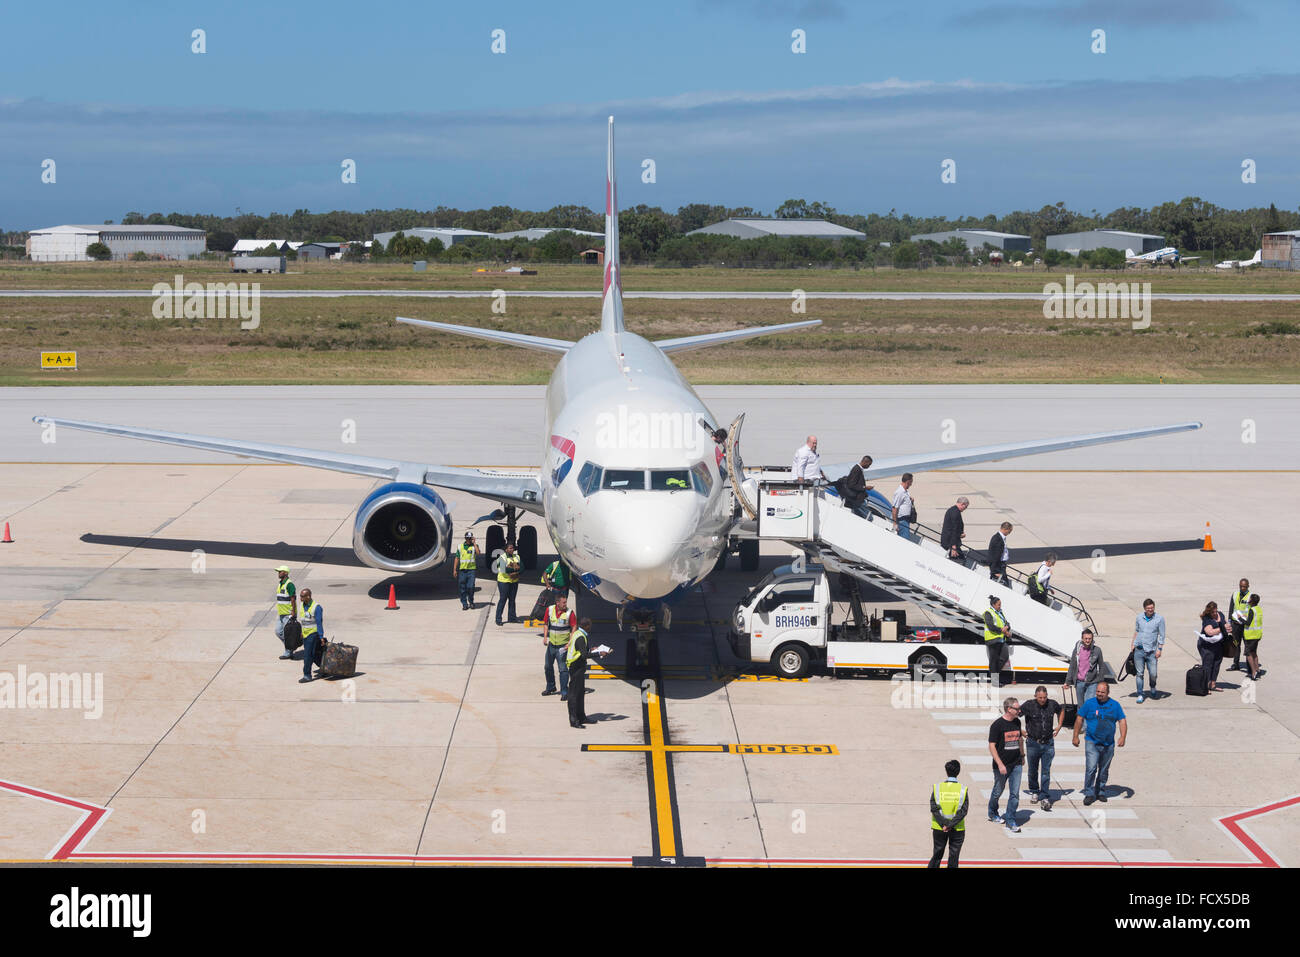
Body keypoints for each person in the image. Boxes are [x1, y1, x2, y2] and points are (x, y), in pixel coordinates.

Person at [1073, 681, 1127, 805]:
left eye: (1102, 692)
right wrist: (1075, 736)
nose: (1099, 694)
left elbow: (1122, 721)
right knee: (1091, 768)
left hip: (1108, 744)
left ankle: (1101, 791)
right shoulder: (1089, 704)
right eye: (1098, 691)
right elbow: (1079, 719)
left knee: (1103, 769)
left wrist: (1122, 737)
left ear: (1108, 693)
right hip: (1092, 741)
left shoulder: (1115, 705)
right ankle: (1088, 792)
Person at [1020, 685, 1063, 810]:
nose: (1042, 700)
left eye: (1044, 697)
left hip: (1048, 743)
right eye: (1040, 698)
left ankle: (1044, 795)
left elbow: (1061, 710)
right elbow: (1014, 716)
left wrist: (1059, 725)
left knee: (1046, 771)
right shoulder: (1029, 705)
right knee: (1033, 770)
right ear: (1035, 696)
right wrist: (1020, 730)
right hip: (1033, 743)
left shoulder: (1052, 704)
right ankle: (1034, 790)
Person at [987, 697, 1025, 832]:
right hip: (1001, 766)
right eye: (1017, 709)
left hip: (1016, 764)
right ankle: (992, 813)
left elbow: (1019, 739)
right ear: (1009, 709)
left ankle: (1010, 820)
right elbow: (992, 746)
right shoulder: (997, 725)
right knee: (998, 791)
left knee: (1015, 794)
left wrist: (1022, 755)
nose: (1019, 711)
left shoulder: (1017, 722)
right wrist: (1000, 764)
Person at [566, 616, 608, 728]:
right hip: (576, 668)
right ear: (586, 626)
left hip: (578, 667)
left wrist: (591, 650)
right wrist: (599, 653)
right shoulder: (580, 637)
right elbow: (583, 655)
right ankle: (574, 720)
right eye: (590, 625)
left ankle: (582, 717)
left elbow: (582, 651)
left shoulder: (579, 634)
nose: (591, 627)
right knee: (574, 695)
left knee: (580, 693)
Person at [928, 759, 969, 868]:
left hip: (939, 827)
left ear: (946, 771)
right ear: (958, 772)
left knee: (937, 854)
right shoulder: (963, 789)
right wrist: (950, 825)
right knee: (954, 857)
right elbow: (963, 811)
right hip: (957, 829)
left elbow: (933, 808)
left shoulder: (937, 788)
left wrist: (943, 824)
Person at [542, 592, 577, 700]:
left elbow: (574, 627)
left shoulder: (569, 613)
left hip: (563, 646)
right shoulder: (550, 610)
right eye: (563, 602)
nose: (565, 604)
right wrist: (545, 637)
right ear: (557, 603)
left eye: (565, 602)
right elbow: (546, 624)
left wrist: (570, 642)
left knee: (563, 669)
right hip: (552, 644)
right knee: (548, 666)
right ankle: (551, 686)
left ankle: (564, 691)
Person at [1130, 598, 1166, 703]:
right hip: (1139, 650)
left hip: (1152, 651)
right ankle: (1140, 694)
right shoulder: (1139, 618)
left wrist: (1159, 649)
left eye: (1152, 608)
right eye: (1148, 608)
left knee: (1153, 674)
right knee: (1139, 673)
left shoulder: (1159, 619)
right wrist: (1132, 644)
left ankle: (1153, 687)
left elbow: (1162, 635)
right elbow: (1136, 631)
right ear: (1144, 609)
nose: (1150, 610)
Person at [1066, 628, 1105, 703]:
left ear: (1092, 639)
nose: (1087, 640)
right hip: (1079, 682)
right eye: (1086, 638)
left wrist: (1101, 681)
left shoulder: (1097, 650)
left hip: (1092, 683)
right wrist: (1067, 681)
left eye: (1089, 639)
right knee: (1081, 706)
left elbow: (1101, 666)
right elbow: (1072, 666)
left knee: (1089, 704)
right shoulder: (1077, 650)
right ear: (1082, 639)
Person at [1198, 601, 1229, 692]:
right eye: (1212, 612)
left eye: (1216, 611)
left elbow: (1226, 624)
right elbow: (1209, 632)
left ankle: (1213, 684)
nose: (1215, 614)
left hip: (1218, 644)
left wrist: (1229, 628)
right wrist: (1222, 628)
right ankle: (1205, 686)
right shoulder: (1206, 619)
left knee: (1216, 664)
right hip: (1207, 646)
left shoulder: (1221, 615)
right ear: (1208, 612)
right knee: (1208, 665)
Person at [297, 587, 325, 683]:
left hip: (313, 634)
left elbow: (319, 623)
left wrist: (321, 636)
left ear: (308, 596)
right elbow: (303, 620)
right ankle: (324, 668)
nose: (300, 598)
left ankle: (307, 675)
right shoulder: (301, 605)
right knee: (314, 654)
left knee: (307, 655)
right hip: (305, 634)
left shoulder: (316, 607)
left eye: (302, 596)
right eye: (300, 596)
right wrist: (301, 632)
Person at [982, 596, 1012, 682]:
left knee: (1005, 657)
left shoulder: (1000, 612)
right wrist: (1003, 630)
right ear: (993, 604)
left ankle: (994, 675)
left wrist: (1007, 627)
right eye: (998, 605)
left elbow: (1007, 623)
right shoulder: (988, 613)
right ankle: (995, 681)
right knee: (993, 660)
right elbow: (991, 626)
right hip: (992, 640)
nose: (1000, 606)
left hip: (1001, 640)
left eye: (1000, 604)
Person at [492, 542, 521, 626]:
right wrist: (515, 570)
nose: (511, 549)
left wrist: (517, 570)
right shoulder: (502, 557)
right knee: (503, 599)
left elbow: (522, 567)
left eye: (512, 548)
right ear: (506, 549)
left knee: (512, 600)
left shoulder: (517, 557)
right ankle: (498, 619)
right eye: (510, 548)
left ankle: (512, 618)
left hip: (514, 581)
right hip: (503, 582)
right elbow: (504, 569)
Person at [1226, 578, 1251, 672]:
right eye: (1241, 586)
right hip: (1235, 624)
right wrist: (1229, 621)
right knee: (1236, 644)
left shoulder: (1251, 596)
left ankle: (1249, 666)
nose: (1242, 588)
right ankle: (1236, 664)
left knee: (1247, 646)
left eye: (1244, 586)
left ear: (1248, 586)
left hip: (1245, 625)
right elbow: (1231, 607)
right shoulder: (1235, 594)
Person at [274, 565, 298, 660]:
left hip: (288, 614)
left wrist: (293, 612)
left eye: (280, 571)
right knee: (278, 631)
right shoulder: (281, 584)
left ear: (286, 573)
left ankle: (288, 651)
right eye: (278, 571)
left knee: (288, 633)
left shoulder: (289, 584)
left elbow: (293, 599)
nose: (278, 573)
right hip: (281, 613)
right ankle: (291, 646)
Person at [452, 531, 480, 611]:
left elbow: (478, 553)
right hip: (462, 570)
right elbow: (457, 558)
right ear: (465, 538)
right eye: (468, 538)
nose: (469, 540)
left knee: (470, 587)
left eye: (470, 538)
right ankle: (464, 603)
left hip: (471, 570)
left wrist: (474, 544)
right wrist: (454, 570)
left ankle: (471, 601)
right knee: (462, 588)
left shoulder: (474, 546)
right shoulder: (460, 547)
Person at [1241, 593, 1264, 682]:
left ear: (1252, 601)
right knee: (1254, 652)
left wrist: (1240, 618)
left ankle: (1253, 672)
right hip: (1257, 635)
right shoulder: (1258, 609)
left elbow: (1247, 623)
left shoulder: (1251, 610)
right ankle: (1258, 669)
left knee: (1248, 654)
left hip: (1250, 635)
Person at [940, 497, 969, 562]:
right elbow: (954, 530)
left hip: (949, 541)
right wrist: (953, 547)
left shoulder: (952, 510)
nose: (965, 509)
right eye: (966, 507)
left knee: (959, 560)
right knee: (961, 560)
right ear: (962, 504)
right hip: (950, 543)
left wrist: (960, 534)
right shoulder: (955, 513)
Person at [891, 473, 916, 539]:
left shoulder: (905, 492)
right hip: (902, 520)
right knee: (905, 540)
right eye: (911, 482)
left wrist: (910, 501)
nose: (911, 484)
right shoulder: (900, 492)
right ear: (908, 482)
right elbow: (894, 508)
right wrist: (895, 523)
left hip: (906, 520)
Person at [988, 522, 1013, 586]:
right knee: (1005, 584)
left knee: (1005, 582)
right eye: (1009, 531)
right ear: (1005, 529)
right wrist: (994, 571)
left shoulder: (1001, 538)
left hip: (1001, 565)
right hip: (999, 566)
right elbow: (994, 556)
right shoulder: (997, 539)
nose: (1009, 533)